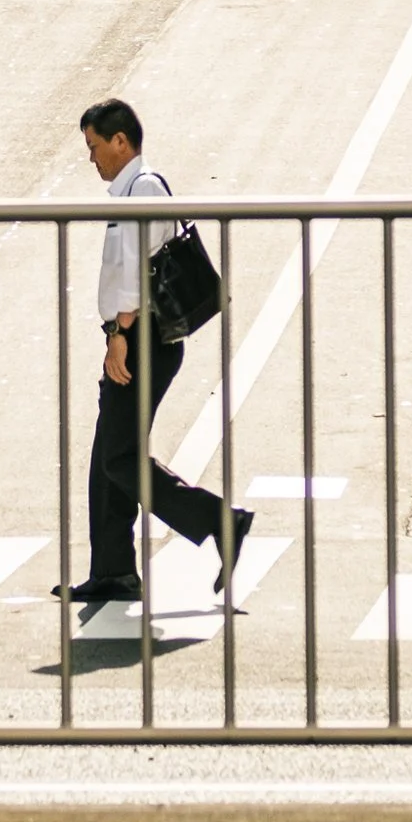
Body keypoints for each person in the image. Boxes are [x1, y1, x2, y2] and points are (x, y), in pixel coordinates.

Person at [57, 99, 250, 609]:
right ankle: (114, 571)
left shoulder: (141, 189)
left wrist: (119, 335)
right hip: (133, 337)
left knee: (119, 458)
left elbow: (134, 278)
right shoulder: (130, 191)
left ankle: (219, 522)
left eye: (95, 147)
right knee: (108, 458)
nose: (92, 158)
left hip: (143, 339)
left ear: (121, 141)